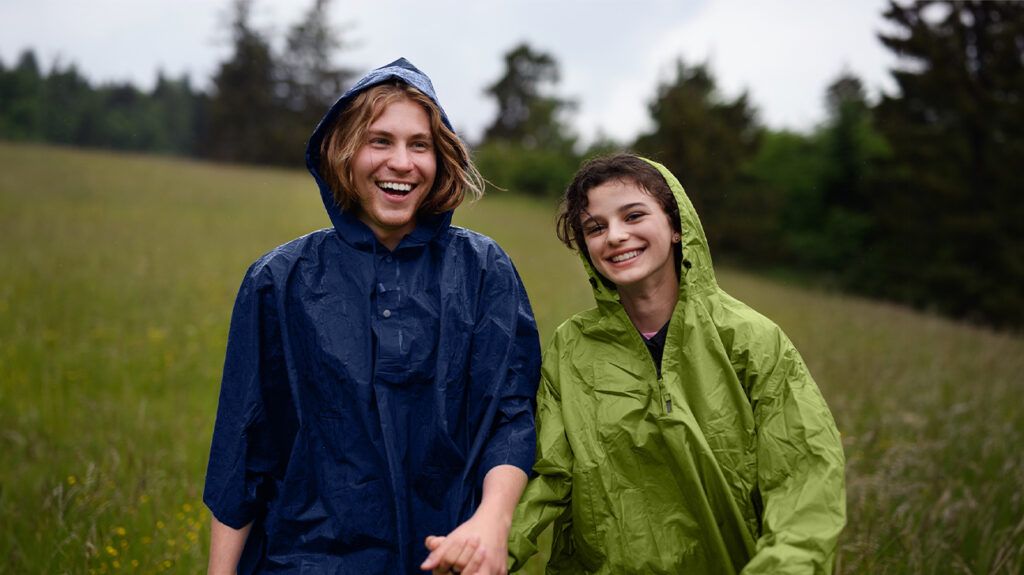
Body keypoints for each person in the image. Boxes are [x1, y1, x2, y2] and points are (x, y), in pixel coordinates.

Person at [203, 58, 541, 574]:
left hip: (448, 557)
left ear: (440, 158)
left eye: (419, 144)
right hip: (306, 559)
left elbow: (511, 416)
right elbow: (244, 449)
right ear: (343, 152)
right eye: (379, 141)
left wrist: (491, 522)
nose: (401, 162)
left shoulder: (482, 270)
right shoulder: (279, 280)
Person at [506, 154, 846, 573]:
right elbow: (547, 474)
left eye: (633, 216)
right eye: (595, 227)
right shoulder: (572, 346)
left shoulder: (751, 339)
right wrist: (489, 549)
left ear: (676, 226)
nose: (614, 236)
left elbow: (804, 479)